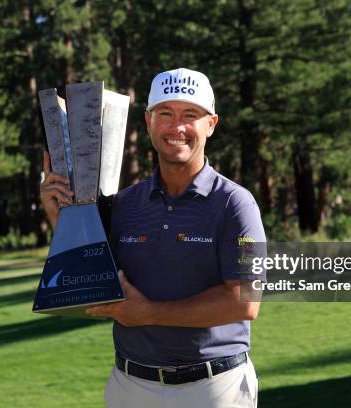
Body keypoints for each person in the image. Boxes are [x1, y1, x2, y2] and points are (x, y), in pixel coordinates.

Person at [40, 68, 266, 408]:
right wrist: (60, 217)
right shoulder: (124, 204)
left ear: (211, 124)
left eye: (190, 115)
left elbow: (246, 302)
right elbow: (92, 279)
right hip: (130, 386)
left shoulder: (237, 203)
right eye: (165, 114)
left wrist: (147, 313)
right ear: (148, 122)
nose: (177, 128)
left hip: (214, 388)